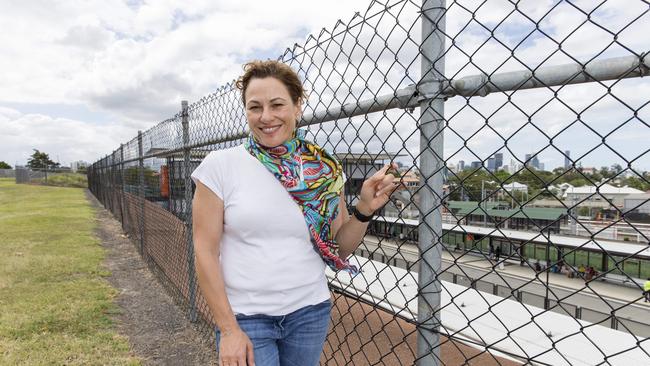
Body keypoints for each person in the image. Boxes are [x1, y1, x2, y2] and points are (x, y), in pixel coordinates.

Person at [191, 60, 400, 366]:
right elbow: (204, 251)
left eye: (277, 104)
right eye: (255, 107)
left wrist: (365, 210)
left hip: (309, 312)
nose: (266, 117)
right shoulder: (220, 166)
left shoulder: (323, 168)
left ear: (297, 106)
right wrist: (228, 329)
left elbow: (339, 247)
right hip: (246, 317)